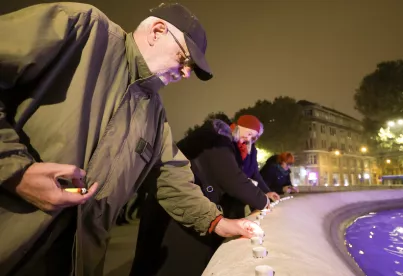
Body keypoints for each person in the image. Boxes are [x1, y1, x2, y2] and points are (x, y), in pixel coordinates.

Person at [0, 3, 261, 275]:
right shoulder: (82, 28)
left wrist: (218, 222)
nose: (185, 74)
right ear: (157, 31)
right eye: (185, 60)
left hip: (76, 260)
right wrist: (16, 172)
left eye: (191, 69)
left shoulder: (155, 114)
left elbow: (172, 177)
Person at [131, 115, 275, 275]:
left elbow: (248, 174)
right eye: (249, 134)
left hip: (185, 208)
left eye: (253, 138)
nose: (249, 140)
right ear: (237, 127)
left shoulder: (221, 141)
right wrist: (262, 200)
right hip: (176, 212)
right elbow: (231, 178)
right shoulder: (216, 140)